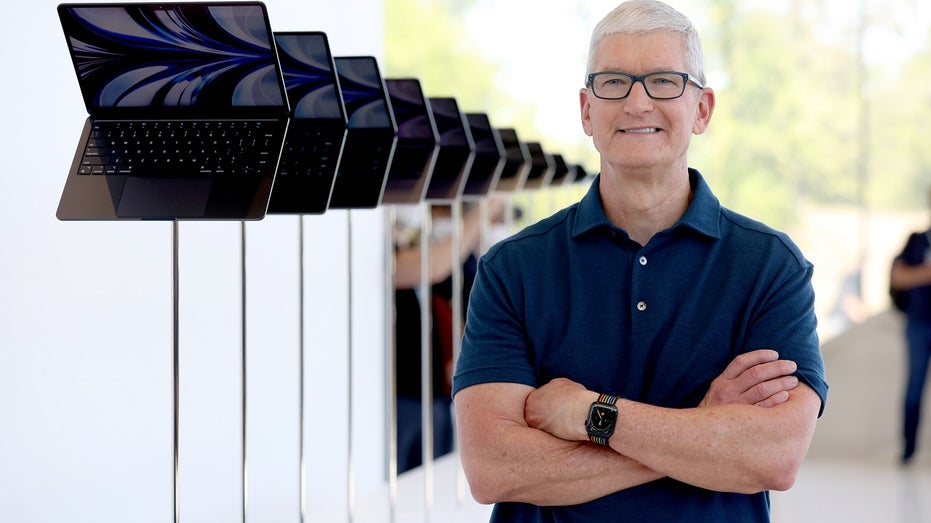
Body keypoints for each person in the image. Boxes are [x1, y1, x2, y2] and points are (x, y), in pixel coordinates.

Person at [451, 1, 828, 521]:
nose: (637, 102)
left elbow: (773, 457)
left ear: (702, 109)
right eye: (613, 82)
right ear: (587, 109)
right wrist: (701, 426)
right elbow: (494, 468)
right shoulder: (511, 270)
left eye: (664, 81)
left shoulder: (771, 267)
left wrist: (592, 413)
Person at [394, 200, 502, 473]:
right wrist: (480, 212)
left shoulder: (426, 246)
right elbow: (433, 266)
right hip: (403, 396)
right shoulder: (389, 257)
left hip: (436, 393)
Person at [890, 188, 931, 464]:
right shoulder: (917, 241)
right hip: (919, 323)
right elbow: (898, 277)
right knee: (914, 386)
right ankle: (908, 450)